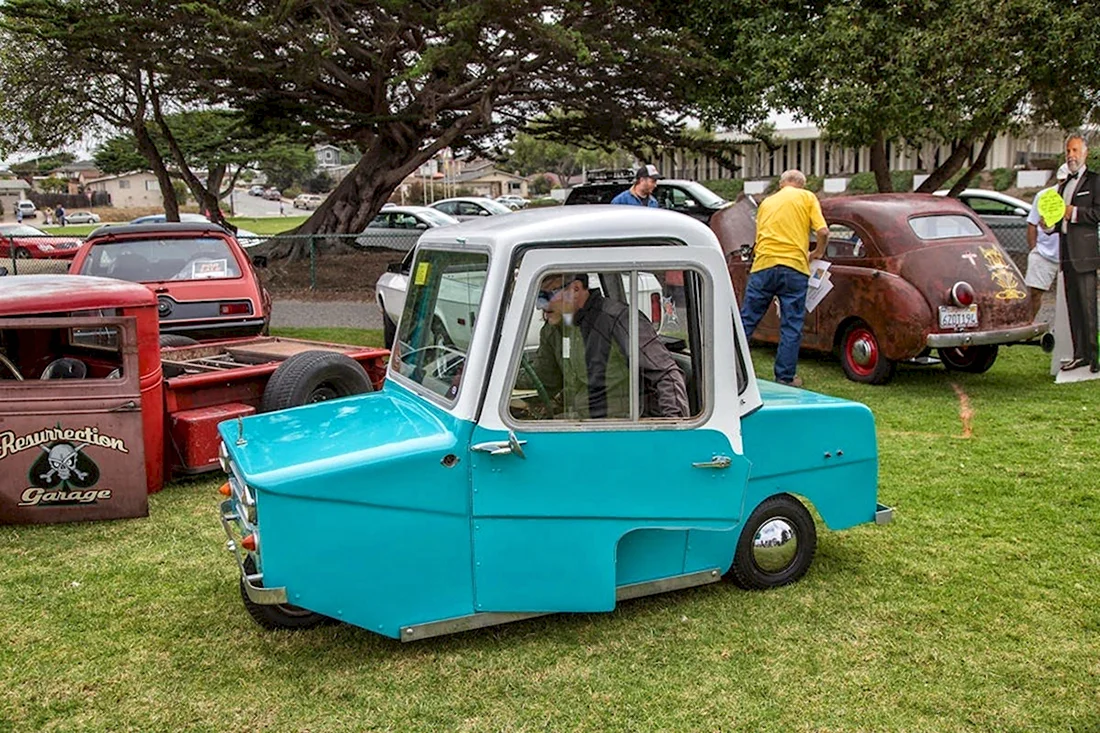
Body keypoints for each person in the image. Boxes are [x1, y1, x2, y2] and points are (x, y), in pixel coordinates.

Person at [522, 273, 688, 419]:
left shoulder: (618, 320)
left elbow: (666, 374)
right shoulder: (554, 330)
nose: (539, 305)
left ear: (576, 289)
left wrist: (675, 433)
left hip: (621, 431)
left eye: (545, 295)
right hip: (578, 424)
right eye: (537, 296)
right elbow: (544, 379)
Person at [738, 169, 828, 387]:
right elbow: (823, 232)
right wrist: (817, 253)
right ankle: (785, 377)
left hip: (764, 264)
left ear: (781, 185)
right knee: (791, 324)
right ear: (802, 185)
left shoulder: (767, 203)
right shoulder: (807, 197)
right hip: (794, 266)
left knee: (747, 320)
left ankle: (730, 370)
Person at [1057, 134, 1100, 372]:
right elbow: (1059, 217)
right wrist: (1049, 223)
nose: (1071, 155)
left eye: (1075, 150)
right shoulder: (1063, 184)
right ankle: (1079, 354)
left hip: (1085, 254)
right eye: (1068, 151)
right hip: (1066, 253)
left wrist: (1074, 212)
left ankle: (1095, 357)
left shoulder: (1095, 181)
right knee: (1073, 307)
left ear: (1085, 153)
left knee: (1088, 307)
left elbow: (1097, 213)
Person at [1025, 165, 1069, 319]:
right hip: (1044, 253)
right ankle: (1028, 326)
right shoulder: (1045, 196)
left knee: (1072, 299)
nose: (1064, 183)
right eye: (1062, 179)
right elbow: (1032, 223)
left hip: (1070, 256)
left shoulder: (1079, 198)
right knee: (1034, 293)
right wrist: (1033, 249)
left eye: (1067, 179)